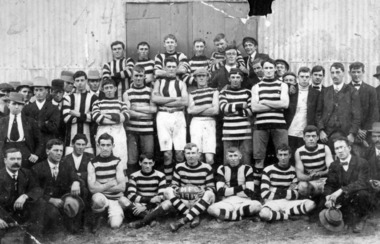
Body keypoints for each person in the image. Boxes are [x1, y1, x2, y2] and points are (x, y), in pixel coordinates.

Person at [32, 139, 85, 234]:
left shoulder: (66, 165)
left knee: (83, 190)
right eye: (56, 150)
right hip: (47, 201)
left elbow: (76, 177)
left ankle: (75, 223)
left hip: (62, 199)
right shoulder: (37, 168)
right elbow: (34, 190)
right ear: (47, 151)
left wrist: (76, 182)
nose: (59, 153)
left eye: (61, 151)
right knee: (52, 214)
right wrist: (50, 199)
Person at [251, 59, 289, 188]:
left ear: (275, 69)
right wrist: (275, 105)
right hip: (261, 126)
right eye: (265, 68)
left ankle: (281, 186)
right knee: (259, 158)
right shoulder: (256, 87)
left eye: (270, 68)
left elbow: (284, 104)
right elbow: (254, 108)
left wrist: (264, 101)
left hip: (279, 125)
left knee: (283, 156)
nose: (268, 71)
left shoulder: (282, 85)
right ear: (262, 70)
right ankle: (257, 189)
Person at [323, 136, 371, 233]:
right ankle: (345, 219)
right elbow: (329, 184)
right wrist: (328, 196)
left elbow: (362, 182)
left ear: (349, 148)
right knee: (324, 200)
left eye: (342, 147)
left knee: (363, 194)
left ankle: (360, 219)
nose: (340, 151)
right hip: (343, 198)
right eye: (337, 148)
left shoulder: (362, 162)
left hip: (357, 195)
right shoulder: (334, 165)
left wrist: (341, 190)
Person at [152, 57, 188, 183]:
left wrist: (165, 101)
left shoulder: (181, 83)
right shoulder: (159, 82)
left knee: (179, 153)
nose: (171, 69)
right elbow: (155, 99)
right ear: (164, 68)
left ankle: (179, 181)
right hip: (163, 116)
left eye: (174, 67)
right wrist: (174, 99)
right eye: (169, 66)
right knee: (167, 154)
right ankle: (168, 183)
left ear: (177, 68)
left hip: (178, 116)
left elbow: (185, 101)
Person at [165, 143, 215, 232]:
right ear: (184, 154)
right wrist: (176, 189)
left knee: (209, 194)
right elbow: (174, 185)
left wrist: (204, 191)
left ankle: (182, 221)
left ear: (198, 154)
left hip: (199, 199)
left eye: (193, 153)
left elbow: (211, 187)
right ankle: (193, 215)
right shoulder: (179, 167)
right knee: (168, 190)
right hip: (184, 199)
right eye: (188, 153)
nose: (191, 156)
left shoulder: (206, 167)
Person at [259, 144, 316, 222]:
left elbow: (295, 195)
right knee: (263, 213)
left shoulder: (293, 171)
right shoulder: (268, 170)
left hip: (288, 202)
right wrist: (287, 192)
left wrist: (274, 189)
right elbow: (264, 193)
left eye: (285, 155)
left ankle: (279, 215)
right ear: (277, 155)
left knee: (311, 204)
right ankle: (287, 216)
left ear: (289, 155)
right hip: (273, 202)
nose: (283, 158)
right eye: (280, 155)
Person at [0, 148, 45, 242]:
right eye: (12, 159)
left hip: (22, 214)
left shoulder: (26, 173)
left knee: (40, 202)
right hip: (4, 216)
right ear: (5, 160)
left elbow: (37, 189)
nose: (16, 162)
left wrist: (25, 196)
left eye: (18, 159)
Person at [207, 147, 262, 221]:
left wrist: (228, 191)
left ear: (240, 156)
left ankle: (227, 215)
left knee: (257, 205)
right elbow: (220, 191)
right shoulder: (222, 169)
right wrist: (242, 187)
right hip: (227, 201)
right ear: (227, 157)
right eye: (230, 156)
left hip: (244, 201)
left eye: (235, 155)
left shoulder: (247, 169)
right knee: (211, 209)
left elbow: (249, 192)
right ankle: (239, 215)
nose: (233, 158)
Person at [87, 133, 127, 232]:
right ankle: (99, 216)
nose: (105, 148)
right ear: (98, 145)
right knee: (97, 199)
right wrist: (109, 184)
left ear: (113, 146)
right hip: (102, 197)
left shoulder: (117, 162)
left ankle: (106, 216)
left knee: (115, 225)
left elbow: (122, 187)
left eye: (108, 145)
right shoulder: (92, 163)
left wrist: (100, 186)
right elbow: (92, 189)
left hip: (115, 199)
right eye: (103, 145)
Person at [317, 62, 361, 151]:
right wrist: (321, 131)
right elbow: (318, 113)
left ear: (343, 73)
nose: (335, 75)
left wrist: (352, 134)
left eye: (337, 72)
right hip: (327, 134)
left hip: (346, 133)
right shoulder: (325, 91)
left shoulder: (352, 92)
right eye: (332, 73)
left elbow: (357, 116)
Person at [123, 65, 157, 175]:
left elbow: (153, 110)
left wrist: (136, 108)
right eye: (136, 76)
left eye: (140, 76)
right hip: (132, 131)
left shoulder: (150, 91)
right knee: (132, 159)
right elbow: (128, 112)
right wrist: (145, 113)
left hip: (147, 131)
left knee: (148, 157)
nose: (138, 78)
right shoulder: (127, 93)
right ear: (132, 77)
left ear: (144, 77)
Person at [92, 78, 129, 170]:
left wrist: (107, 116)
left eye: (111, 87)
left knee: (119, 155)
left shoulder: (121, 103)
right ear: (103, 90)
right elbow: (97, 117)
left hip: (118, 132)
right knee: (103, 154)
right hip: (103, 131)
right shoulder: (97, 103)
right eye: (106, 88)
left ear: (115, 89)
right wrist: (116, 118)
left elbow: (126, 116)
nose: (109, 90)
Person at [125, 154, 169, 229]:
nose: (148, 166)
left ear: (153, 163)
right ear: (140, 163)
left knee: (167, 203)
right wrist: (148, 201)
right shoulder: (134, 176)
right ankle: (150, 219)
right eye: (145, 163)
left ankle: (141, 223)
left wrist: (146, 207)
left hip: (154, 205)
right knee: (122, 200)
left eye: (150, 163)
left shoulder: (161, 176)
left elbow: (160, 197)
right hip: (140, 204)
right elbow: (131, 195)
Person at [219, 68, 252, 165]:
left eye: (238, 77)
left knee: (246, 161)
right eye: (233, 77)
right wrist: (242, 106)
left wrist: (231, 111)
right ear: (229, 79)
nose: (235, 79)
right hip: (229, 133)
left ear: (242, 79)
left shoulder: (248, 92)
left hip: (245, 133)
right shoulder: (224, 93)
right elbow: (224, 107)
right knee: (228, 162)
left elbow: (251, 110)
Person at [0, 92, 42, 169]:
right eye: (14, 104)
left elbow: (39, 140)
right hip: (5, 151)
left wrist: (36, 154)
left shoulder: (30, 122)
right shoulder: (1, 122)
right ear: (8, 104)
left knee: (24, 175)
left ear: (23, 106)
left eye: (19, 104)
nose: (16, 107)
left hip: (25, 151)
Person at [23, 76, 60, 161]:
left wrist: (35, 124)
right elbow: (25, 127)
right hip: (32, 146)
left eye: (41, 90)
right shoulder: (27, 108)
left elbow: (53, 127)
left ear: (47, 91)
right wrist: (45, 123)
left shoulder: (54, 108)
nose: (38, 93)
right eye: (36, 90)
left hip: (48, 145)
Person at [187, 68, 219, 166]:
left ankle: (209, 178)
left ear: (208, 77)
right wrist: (207, 105)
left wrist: (198, 109)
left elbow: (215, 110)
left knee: (209, 158)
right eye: (198, 76)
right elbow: (190, 110)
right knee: (198, 155)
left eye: (203, 76)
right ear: (195, 79)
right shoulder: (192, 93)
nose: (201, 78)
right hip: (196, 122)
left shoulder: (214, 91)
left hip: (210, 122)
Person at [285, 67, 320, 155]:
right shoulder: (290, 90)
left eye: (307, 77)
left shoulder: (316, 93)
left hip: (306, 129)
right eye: (302, 76)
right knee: (291, 154)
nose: (304, 79)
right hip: (290, 128)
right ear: (297, 77)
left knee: (304, 154)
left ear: (310, 77)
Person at [62, 71, 97, 155]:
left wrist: (77, 114)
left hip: (89, 141)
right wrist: (86, 116)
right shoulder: (68, 98)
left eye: (82, 80)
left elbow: (94, 117)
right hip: (71, 141)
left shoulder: (94, 97)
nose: (80, 83)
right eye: (77, 81)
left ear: (86, 81)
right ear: (74, 82)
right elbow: (66, 118)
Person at [348, 62, 379, 157]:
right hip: (351, 132)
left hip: (367, 133)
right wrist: (356, 130)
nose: (356, 75)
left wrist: (365, 130)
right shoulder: (345, 90)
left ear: (363, 72)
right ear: (349, 73)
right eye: (354, 72)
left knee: (369, 157)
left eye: (359, 72)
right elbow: (344, 113)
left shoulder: (371, 90)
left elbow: (374, 113)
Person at [363, 122, 380, 207]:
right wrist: (370, 181)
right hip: (372, 186)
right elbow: (363, 170)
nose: (377, 139)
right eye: (374, 136)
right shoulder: (368, 152)